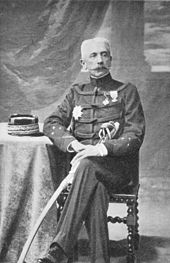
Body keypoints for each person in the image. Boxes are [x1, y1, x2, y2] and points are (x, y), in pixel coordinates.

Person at [37, 37, 145, 263]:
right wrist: (73, 144)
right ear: (83, 64)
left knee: (88, 165)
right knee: (94, 189)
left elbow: (135, 135)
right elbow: (52, 123)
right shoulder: (76, 92)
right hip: (86, 174)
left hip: (117, 171)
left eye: (104, 55)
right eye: (93, 56)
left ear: (111, 60)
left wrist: (101, 149)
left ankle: (59, 248)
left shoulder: (127, 92)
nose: (100, 60)